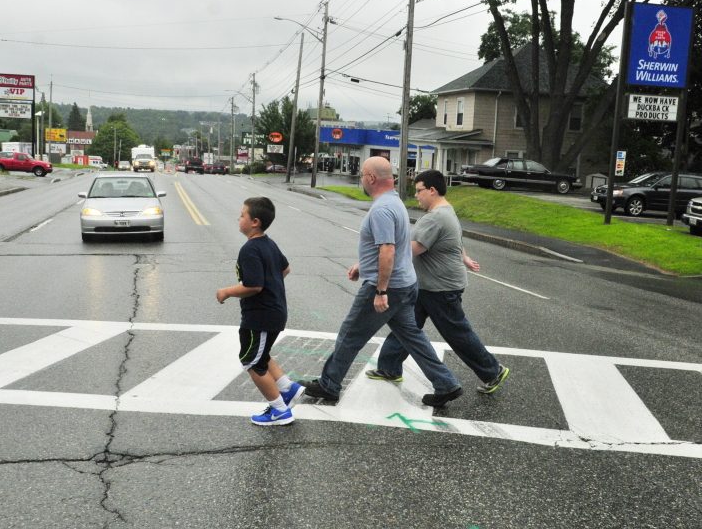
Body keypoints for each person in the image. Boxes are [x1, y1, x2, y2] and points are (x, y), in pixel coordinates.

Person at [300, 156, 463, 408]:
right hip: (405, 284)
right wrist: (363, 266)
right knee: (412, 336)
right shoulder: (395, 202)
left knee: (350, 333)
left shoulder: (382, 210)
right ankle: (446, 383)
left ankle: (329, 384)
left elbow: (387, 250)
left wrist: (380, 290)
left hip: (390, 286)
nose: (361, 180)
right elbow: (395, 246)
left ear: (371, 178)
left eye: (362, 175)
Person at [370, 170, 509, 393]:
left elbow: (413, 249)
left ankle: (493, 371)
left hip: (440, 288)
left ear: (432, 190)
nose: (416, 196)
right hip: (428, 285)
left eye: (419, 191)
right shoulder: (446, 210)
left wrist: (385, 247)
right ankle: (389, 368)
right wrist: (464, 257)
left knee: (456, 333)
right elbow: (455, 241)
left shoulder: (435, 218)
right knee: (406, 326)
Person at [216, 197, 304, 426]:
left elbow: (254, 286)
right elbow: (285, 268)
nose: (239, 218)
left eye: (242, 215)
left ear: (254, 222)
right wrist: (272, 285)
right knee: (260, 355)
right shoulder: (269, 243)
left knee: (252, 362)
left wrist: (226, 292)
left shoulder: (250, 249)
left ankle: (279, 411)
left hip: (260, 316)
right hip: (271, 312)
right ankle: (288, 388)